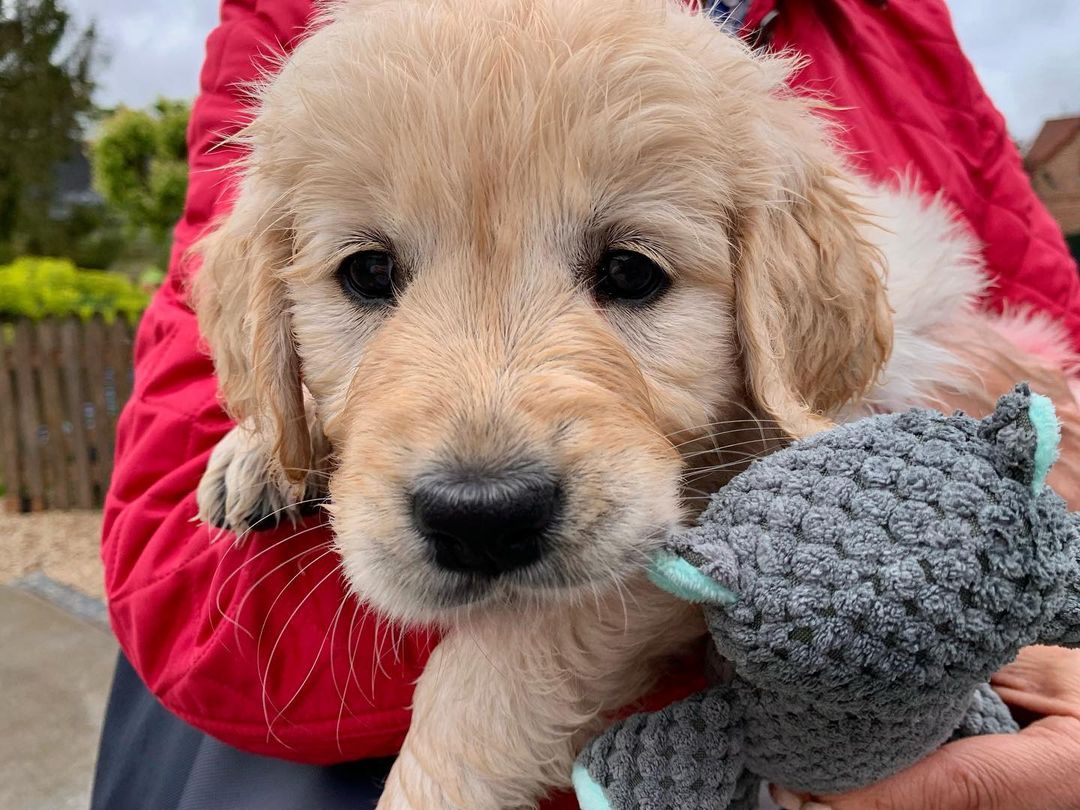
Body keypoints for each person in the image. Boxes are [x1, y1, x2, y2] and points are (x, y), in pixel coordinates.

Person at [92, 1, 1080, 808]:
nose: (485, 448)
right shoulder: (297, 36)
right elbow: (182, 592)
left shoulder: (884, 25)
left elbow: (803, 449)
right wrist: (285, 422)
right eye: (370, 274)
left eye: (630, 273)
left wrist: (456, 764)